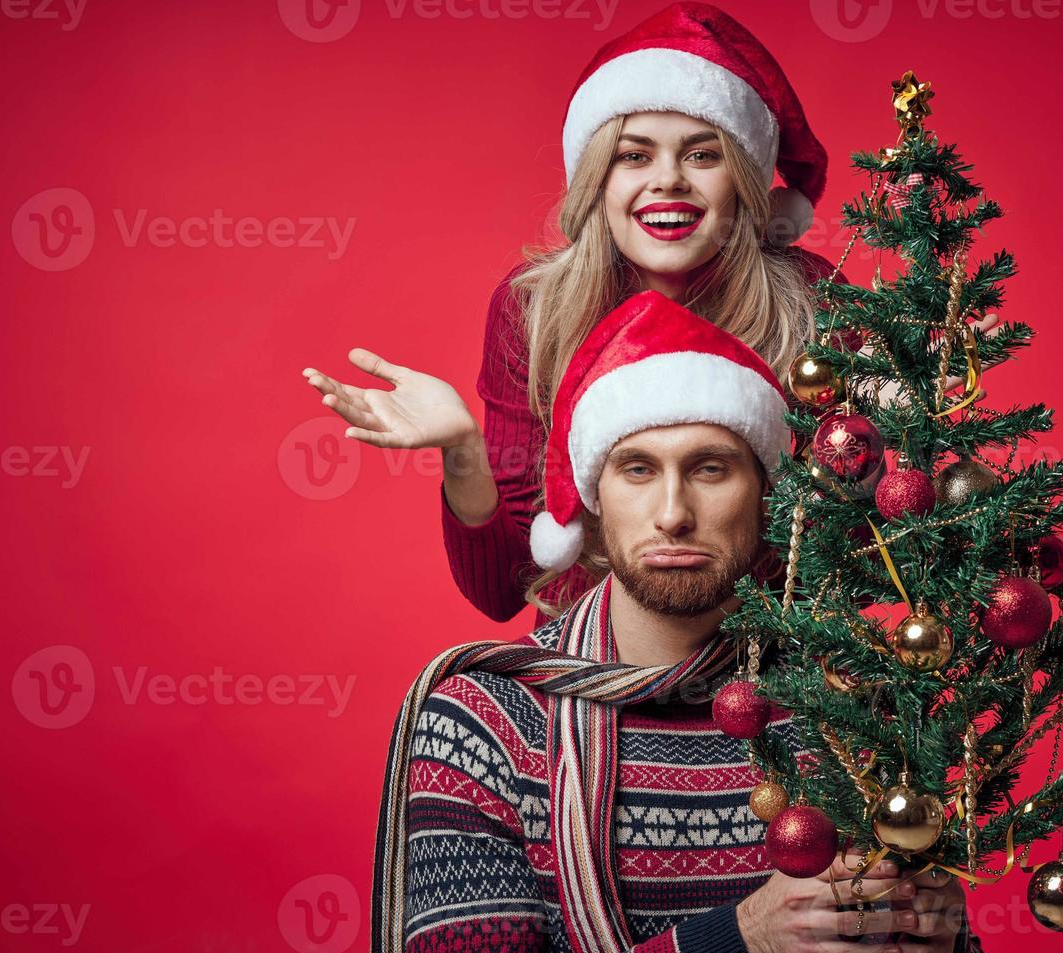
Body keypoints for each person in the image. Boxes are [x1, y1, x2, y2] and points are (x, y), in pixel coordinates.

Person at [370, 291, 991, 953]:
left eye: (709, 468)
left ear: (764, 494)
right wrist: (743, 944)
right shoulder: (485, 719)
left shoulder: (844, 705)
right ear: (595, 497)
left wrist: (942, 951)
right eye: (638, 469)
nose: (672, 514)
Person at [303, 2, 849, 625]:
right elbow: (503, 591)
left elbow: (850, 560)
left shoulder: (811, 303)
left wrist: (910, 416)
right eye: (634, 155)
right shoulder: (534, 308)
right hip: (583, 677)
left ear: (747, 179)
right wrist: (462, 451)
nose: (667, 181)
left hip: (767, 675)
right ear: (596, 178)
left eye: (703, 155)